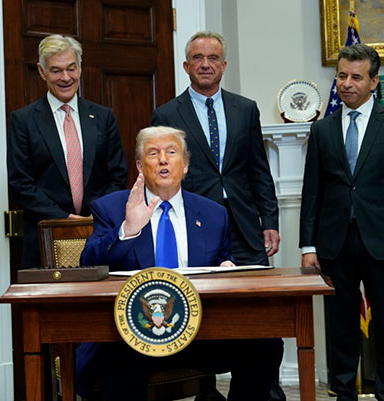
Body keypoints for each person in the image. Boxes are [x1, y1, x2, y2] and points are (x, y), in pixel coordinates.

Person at [77, 126, 284, 401]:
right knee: (115, 357)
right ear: (140, 166)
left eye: (171, 152)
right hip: (135, 336)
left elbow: (223, 261)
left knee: (266, 344)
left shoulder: (213, 214)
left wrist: (226, 269)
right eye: (153, 153)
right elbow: (88, 265)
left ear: (185, 165)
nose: (163, 159)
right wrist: (127, 230)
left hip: (200, 332)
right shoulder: (112, 208)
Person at [300, 43, 384, 401]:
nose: (346, 83)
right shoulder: (322, 130)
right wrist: (308, 245)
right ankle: (343, 394)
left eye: (356, 77)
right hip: (335, 243)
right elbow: (312, 191)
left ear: (374, 81)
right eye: (342, 76)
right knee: (340, 326)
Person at [151, 31, 279, 267]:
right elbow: (161, 176)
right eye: (197, 58)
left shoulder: (246, 109)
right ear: (186, 66)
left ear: (223, 65)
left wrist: (270, 221)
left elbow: (259, 171)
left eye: (213, 58)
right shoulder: (167, 115)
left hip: (245, 227)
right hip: (195, 223)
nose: (205, 65)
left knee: (253, 287)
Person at [7, 34, 127, 268]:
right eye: (56, 70)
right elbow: (21, 183)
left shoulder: (103, 117)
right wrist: (65, 219)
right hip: (44, 238)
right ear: (42, 71)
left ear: (80, 68)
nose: (65, 77)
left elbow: (117, 175)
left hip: (99, 233)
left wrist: (96, 215)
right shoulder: (24, 120)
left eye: (71, 68)